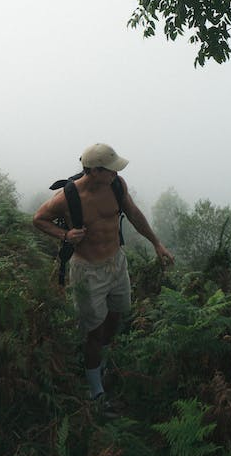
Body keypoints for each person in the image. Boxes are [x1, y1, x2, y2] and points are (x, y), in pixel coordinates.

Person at [33, 143, 174, 411]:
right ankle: (96, 390)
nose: (116, 174)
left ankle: (100, 360)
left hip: (116, 263)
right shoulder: (68, 196)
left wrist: (157, 243)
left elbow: (132, 214)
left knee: (117, 314)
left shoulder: (117, 186)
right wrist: (65, 235)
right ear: (94, 171)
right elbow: (39, 219)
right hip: (87, 270)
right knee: (93, 332)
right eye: (111, 170)